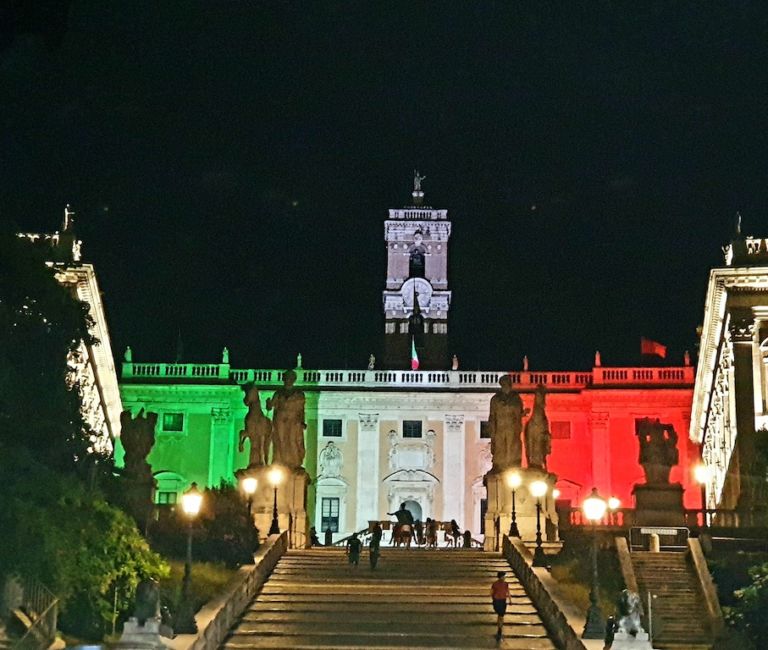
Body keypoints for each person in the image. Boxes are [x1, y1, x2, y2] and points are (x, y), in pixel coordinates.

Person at [490, 571, 513, 640]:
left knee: (501, 615)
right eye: (503, 576)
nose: (504, 577)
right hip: (497, 601)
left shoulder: (505, 584)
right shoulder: (495, 584)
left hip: (502, 601)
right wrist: (494, 599)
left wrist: (510, 600)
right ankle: (499, 627)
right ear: (500, 577)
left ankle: (500, 628)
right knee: (500, 615)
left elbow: (508, 591)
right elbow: (491, 592)